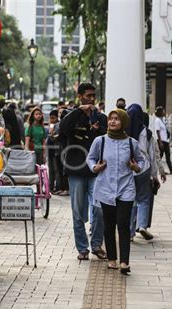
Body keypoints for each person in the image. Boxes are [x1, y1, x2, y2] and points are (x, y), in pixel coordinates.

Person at [87, 109, 145, 274]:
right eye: (110, 119)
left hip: (126, 188)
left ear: (124, 122)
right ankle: (112, 259)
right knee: (109, 225)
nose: (112, 122)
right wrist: (95, 167)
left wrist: (136, 167)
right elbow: (90, 158)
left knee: (124, 225)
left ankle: (124, 261)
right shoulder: (101, 141)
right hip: (105, 188)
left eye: (116, 119)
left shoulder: (132, 143)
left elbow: (141, 160)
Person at [59, 82, 106, 260]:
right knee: (78, 212)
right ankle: (82, 248)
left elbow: (103, 140)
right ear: (80, 97)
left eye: (94, 95)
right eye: (88, 96)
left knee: (99, 208)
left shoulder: (101, 118)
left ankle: (96, 245)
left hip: (96, 171)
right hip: (76, 170)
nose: (92, 99)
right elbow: (63, 130)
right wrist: (80, 110)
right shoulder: (71, 115)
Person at [127, 104, 157, 241]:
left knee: (130, 200)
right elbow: (152, 155)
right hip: (144, 168)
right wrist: (154, 175)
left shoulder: (123, 131)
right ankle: (142, 225)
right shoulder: (147, 132)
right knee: (143, 199)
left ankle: (130, 232)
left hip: (128, 169)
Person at [155, 107, 172, 174]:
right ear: (160, 112)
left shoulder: (163, 120)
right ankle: (159, 170)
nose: (164, 112)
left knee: (168, 156)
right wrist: (160, 142)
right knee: (160, 156)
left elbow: (166, 130)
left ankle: (171, 170)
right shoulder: (157, 120)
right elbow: (158, 131)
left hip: (166, 140)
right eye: (163, 111)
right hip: (161, 141)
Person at [47, 110, 61, 193]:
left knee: (56, 170)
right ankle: (50, 187)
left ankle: (57, 187)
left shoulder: (58, 125)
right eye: (50, 118)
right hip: (50, 150)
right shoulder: (51, 125)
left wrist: (52, 133)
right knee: (51, 170)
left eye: (53, 118)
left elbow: (54, 137)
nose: (51, 120)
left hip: (56, 150)